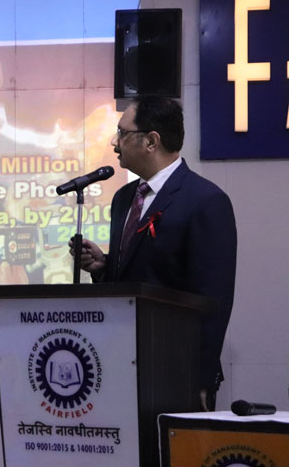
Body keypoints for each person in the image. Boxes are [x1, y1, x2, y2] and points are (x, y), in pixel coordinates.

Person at [73, 96, 236, 411]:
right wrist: (104, 267)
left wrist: (201, 379)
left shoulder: (205, 201)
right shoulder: (124, 198)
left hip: (176, 369)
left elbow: (214, 300)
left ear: (151, 141)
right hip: (121, 362)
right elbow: (140, 275)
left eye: (122, 133)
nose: (114, 142)